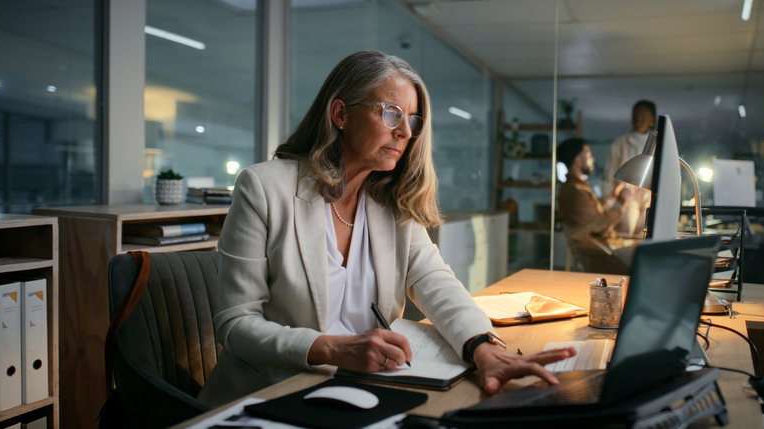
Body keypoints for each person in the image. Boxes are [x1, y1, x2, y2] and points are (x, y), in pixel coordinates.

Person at [197, 51, 576, 407]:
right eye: (391, 114)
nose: (406, 133)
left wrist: (483, 348)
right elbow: (236, 324)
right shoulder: (263, 188)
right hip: (271, 393)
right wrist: (330, 348)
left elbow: (436, 282)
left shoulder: (390, 203)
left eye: (412, 120)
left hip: (364, 387)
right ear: (340, 113)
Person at [558, 138, 635, 273]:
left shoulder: (575, 188)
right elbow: (601, 224)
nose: (592, 159)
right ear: (577, 160)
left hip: (598, 249)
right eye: (588, 154)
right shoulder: (575, 191)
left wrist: (611, 197)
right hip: (595, 253)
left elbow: (589, 210)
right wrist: (622, 200)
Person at [602, 100, 656, 236]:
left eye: (643, 118)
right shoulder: (619, 144)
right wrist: (609, 201)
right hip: (627, 196)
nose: (638, 121)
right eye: (635, 118)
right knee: (625, 232)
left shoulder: (658, 144)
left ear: (651, 120)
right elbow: (609, 174)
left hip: (648, 197)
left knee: (644, 234)